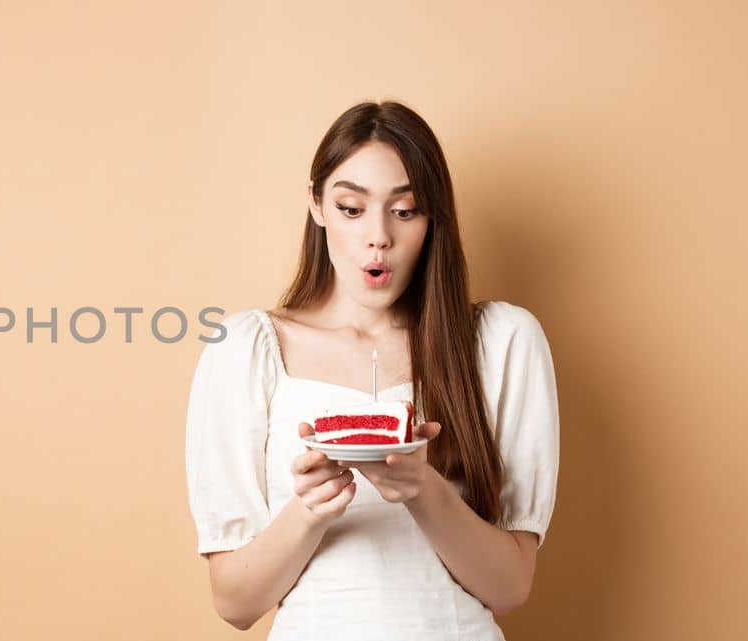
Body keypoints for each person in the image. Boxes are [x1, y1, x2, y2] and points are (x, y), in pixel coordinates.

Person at [183, 100, 560, 639]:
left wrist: (420, 487)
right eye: (351, 209)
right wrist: (309, 511)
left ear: (433, 220)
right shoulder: (244, 349)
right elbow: (236, 603)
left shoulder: (501, 342)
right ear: (316, 206)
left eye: (404, 211)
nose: (378, 236)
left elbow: (509, 589)